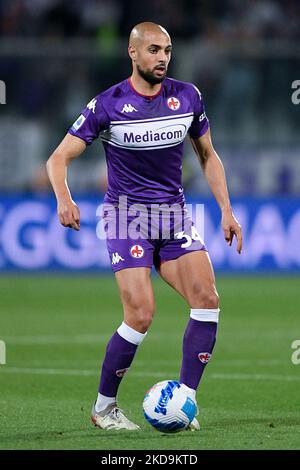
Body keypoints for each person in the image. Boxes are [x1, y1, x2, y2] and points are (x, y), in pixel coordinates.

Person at [46, 22, 242, 431]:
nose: (163, 58)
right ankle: (104, 408)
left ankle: (185, 401)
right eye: (154, 50)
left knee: (207, 298)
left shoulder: (188, 97)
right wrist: (65, 198)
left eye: (167, 50)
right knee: (140, 314)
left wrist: (226, 209)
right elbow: (58, 158)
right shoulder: (108, 104)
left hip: (173, 216)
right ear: (133, 53)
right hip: (126, 217)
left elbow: (208, 155)